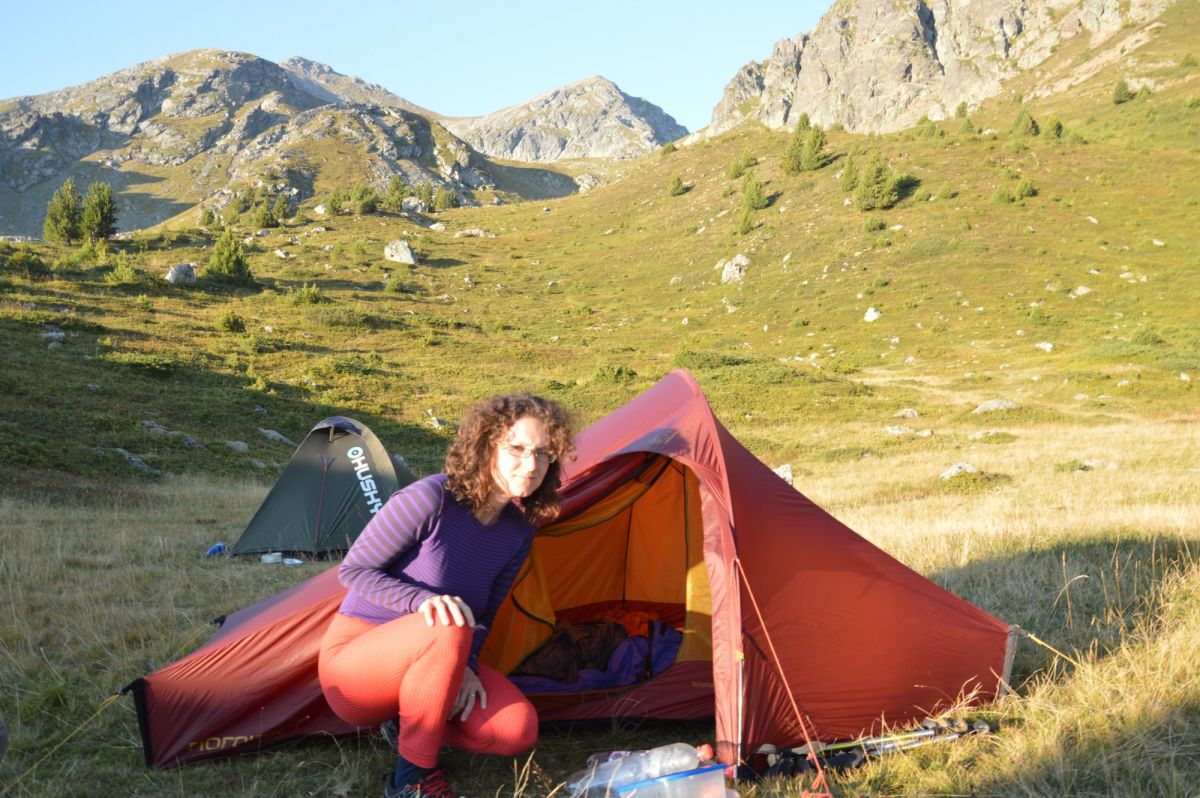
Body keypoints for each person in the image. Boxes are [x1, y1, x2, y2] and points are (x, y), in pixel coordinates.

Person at [318, 394, 574, 798]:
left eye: (543, 454)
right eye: (517, 448)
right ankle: (412, 780)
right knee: (450, 623)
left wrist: (465, 666)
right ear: (487, 444)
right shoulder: (430, 498)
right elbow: (354, 571)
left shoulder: (518, 531)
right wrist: (421, 602)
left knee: (516, 730)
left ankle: (408, 725)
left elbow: (486, 613)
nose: (531, 464)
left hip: (441, 652)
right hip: (357, 664)